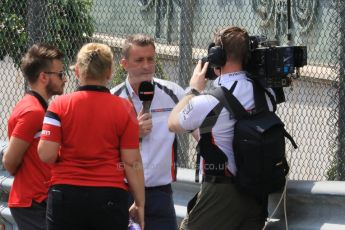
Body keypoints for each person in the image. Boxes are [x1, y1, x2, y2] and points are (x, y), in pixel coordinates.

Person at [168, 26, 273, 230]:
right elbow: (230, 127)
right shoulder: (266, 93)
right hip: (257, 192)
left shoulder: (209, 101)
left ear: (217, 57)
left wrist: (193, 89)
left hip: (221, 190)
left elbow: (173, 122)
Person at [37, 43, 145, 230]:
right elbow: (132, 162)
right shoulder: (125, 108)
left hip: (66, 195)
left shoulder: (58, 106)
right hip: (109, 196)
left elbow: (46, 154)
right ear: (109, 72)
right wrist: (140, 203)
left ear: (78, 71)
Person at [111, 34, 185, 230]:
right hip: (122, 192)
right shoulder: (112, 99)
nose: (146, 66)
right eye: (139, 60)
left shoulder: (173, 93)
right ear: (124, 64)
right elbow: (101, 147)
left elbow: (198, 130)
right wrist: (131, 134)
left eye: (150, 59)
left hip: (160, 194)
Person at [2, 43, 66, 230]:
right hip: (33, 202)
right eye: (60, 74)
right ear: (43, 77)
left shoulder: (36, 107)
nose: (65, 80)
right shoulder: (33, 111)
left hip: (38, 199)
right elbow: (9, 160)